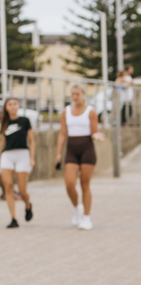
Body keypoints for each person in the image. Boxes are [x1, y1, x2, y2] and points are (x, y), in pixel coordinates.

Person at [56, 84, 102, 230]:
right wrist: (58, 153)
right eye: (73, 94)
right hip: (71, 150)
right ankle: (77, 208)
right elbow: (63, 133)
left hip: (87, 149)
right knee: (69, 183)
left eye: (78, 94)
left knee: (84, 184)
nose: (75, 97)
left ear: (83, 95)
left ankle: (87, 218)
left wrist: (98, 136)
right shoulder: (66, 111)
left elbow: (94, 131)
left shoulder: (90, 111)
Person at [1, 98, 35, 228]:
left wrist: (32, 157)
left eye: (15, 104)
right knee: (8, 186)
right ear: (6, 107)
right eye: (10, 104)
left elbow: (32, 141)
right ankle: (13, 218)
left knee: (22, 190)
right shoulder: (3, 123)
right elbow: (3, 142)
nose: (13, 106)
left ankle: (27, 205)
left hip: (22, 154)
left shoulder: (25, 121)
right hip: (7, 155)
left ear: (18, 105)